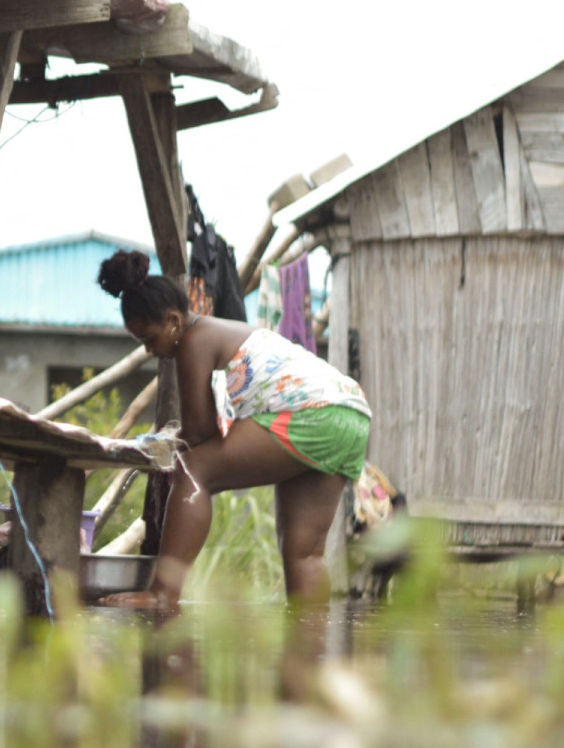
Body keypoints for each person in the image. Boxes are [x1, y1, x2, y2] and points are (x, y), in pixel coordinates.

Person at [94, 249, 370, 609]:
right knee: (304, 555)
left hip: (311, 413)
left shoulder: (194, 340)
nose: (149, 350)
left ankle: (163, 593)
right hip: (350, 414)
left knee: (194, 470)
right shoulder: (222, 331)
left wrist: (162, 443)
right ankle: (309, 648)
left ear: (175, 322)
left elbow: (199, 436)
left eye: (149, 338)